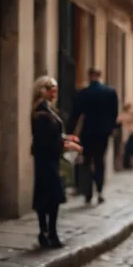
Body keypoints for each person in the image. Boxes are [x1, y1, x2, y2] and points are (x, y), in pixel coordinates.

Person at [31, 76, 82, 248]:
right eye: (53, 89)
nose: (55, 93)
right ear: (43, 90)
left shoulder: (48, 110)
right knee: (48, 196)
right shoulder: (40, 112)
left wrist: (66, 138)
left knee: (51, 197)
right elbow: (46, 140)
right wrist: (69, 145)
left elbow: (53, 135)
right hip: (45, 160)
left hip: (50, 159)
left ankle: (50, 232)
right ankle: (46, 232)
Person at [69, 67, 118, 204]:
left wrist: (70, 131)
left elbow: (75, 114)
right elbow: (114, 114)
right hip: (102, 133)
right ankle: (100, 191)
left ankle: (88, 192)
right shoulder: (110, 92)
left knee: (86, 161)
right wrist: (111, 129)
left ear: (90, 76)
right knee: (100, 161)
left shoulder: (83, 93)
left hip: (88, 132)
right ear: (100, 76)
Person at [117, 103, 133, 169]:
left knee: (131, 150)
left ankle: (131, 164)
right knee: (128, 150)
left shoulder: (130, 114)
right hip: (127, 134)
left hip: (130, 133)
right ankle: (128, 164)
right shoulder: (125, 115)